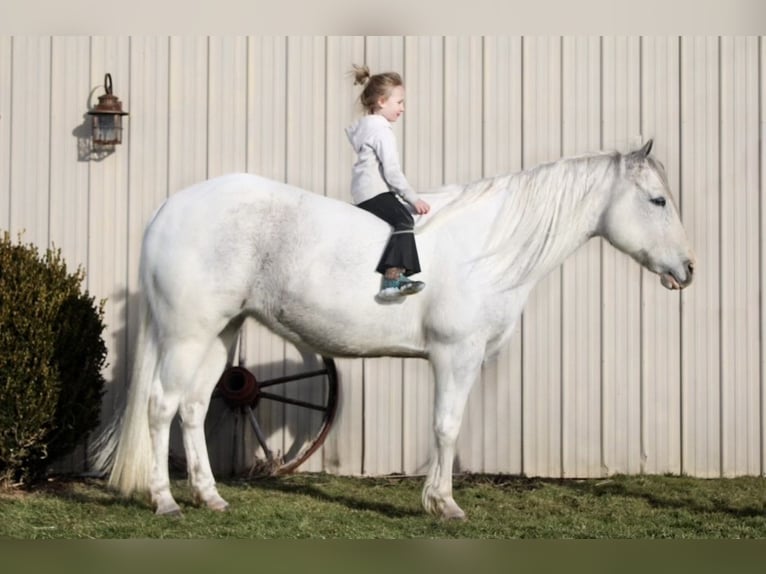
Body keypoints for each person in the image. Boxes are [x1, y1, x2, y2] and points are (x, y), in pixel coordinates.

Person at [345, 64, 431, 301]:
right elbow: (392, 173)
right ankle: (392, 280)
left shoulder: (368, 128)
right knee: (404, 220)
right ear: (382, 101)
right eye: (399, 102)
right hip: (375, 191)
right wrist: (413, 198)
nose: (402, 108)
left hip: (363, 191)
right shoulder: (382, 131)